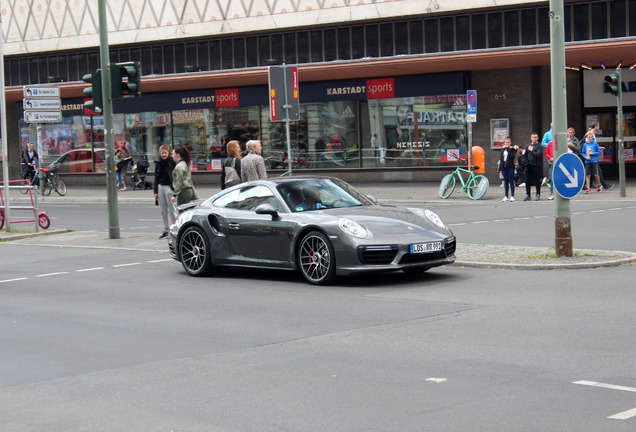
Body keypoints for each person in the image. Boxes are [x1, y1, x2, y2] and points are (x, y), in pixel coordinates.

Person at [154, 144, 177, 239]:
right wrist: (155, 191)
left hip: (169, 187)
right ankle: (166, 230)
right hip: (161, 186)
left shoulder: (171, 162)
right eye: (162, 153)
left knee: (172, 209)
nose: (163, 155)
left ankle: (175, 228)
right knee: (163, 210)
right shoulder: (158, 163)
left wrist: (175, 189)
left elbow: (175, 176)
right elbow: (156, 177)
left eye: (165, 153)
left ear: (168, 153)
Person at [587, 121, 612, 190]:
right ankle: (604, 184)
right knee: (598, 171)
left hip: (592, 156)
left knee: (592, 171)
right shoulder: (590, 135)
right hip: (591, 157)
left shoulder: (592, 134)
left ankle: (590, 184)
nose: (599, 127)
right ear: (595, 126)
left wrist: (599, 147)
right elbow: (589, 145)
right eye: (598, 126)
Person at [524, 132, 543, 201]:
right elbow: (525, 155)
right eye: (532, 137)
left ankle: (538, 194)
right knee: (527, 180)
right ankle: (528, 195)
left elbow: (538, 155)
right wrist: (525, 162)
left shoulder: (539, 146)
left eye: (535, 137)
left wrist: (532, 151)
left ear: (537, 138)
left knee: (537, 180)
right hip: (529, 166)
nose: (534, 139)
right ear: (530, 138)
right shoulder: (528, 146)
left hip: (536, 165)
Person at [498, 137, 517, 202]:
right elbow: (501, 158)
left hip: (510, 166)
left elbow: (512, 157)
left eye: (508, 142)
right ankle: (506, 196)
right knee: (505, 181)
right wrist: (500, 168)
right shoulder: (503, 149)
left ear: (510, 142)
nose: (507, 144)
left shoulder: (513, 149)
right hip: (504, 167)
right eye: (506, 142)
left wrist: (508, 149)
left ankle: (512, 195)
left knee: (511, 181)